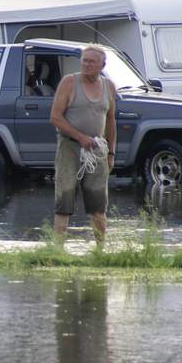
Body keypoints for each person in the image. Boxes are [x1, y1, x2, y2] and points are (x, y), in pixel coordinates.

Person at [49, 44, 117, 246]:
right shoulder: (69, 82)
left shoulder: (109, 86)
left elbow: (111, 120)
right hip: (70, 147)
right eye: (84, 60)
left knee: (98, 205)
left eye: (91, 61)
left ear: (102, 65)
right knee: (64, 200)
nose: (86, 64)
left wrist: (111, 153)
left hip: (97, 150)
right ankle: (57, 250)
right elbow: (55, 117)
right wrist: (80, 137)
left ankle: (100, 250)